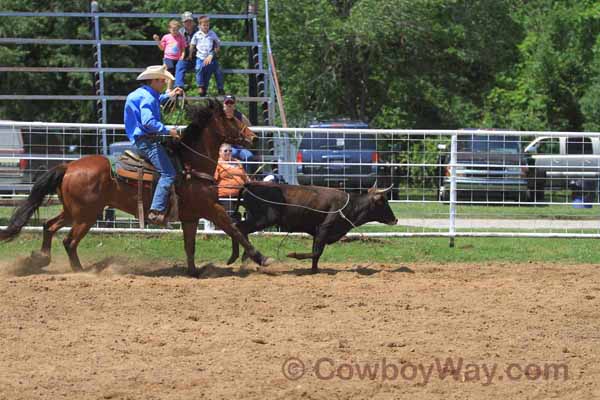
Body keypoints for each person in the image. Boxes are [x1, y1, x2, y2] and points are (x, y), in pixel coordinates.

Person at [124, 65, 184, 225]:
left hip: (141, 138)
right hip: (147, 141)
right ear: (154, 81)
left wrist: (170, 95)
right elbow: (148, 121)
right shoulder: (149, 98)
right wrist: (167, 130)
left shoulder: (144, 93)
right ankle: (156, 210)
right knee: (168, 173)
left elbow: (157, 99)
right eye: (162, 80)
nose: (165, 83)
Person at [189, 15, 225, 96]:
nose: (206, 27)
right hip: (200, 57)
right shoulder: (197, 34)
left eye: (207, 25)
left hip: (211, 57)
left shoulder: (212, 34)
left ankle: (220, 88)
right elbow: (192, 45)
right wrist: (190, 54)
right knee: (198, 68)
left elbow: (217, 44)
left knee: (218, 71)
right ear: (199, 26)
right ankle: (200, 86)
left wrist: (213, 54)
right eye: (204, 25)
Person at [214, 143, 251, 221]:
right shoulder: (217, 163)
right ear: (219, 152)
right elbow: (214, 179)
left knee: (249, 208)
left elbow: (244, 175)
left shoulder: (237, 161)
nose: (228, 152)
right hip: (225, 195)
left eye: (230, 150)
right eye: (225, 151)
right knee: (229, 217)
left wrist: (250, 183)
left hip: (241, 194)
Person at [223, 95, 256, 173]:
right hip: (226, 145)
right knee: (232, 153)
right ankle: (232, 175)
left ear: (234, 104)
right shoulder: (220, 116)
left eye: (231, 103)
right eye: (227, 103)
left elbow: (250, 128)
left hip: (238, 145)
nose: (229, 105)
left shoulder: (239, 116)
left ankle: (245, 177)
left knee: (249, 156)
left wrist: (246, 137)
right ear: (224, 104)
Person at [152, 20, 186, 90]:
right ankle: (168, 89)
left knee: (176, 72)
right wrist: (157, 40)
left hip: (177, 58)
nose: (175, 32)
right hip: (168, 57)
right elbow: (162, 48)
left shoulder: (181, 37)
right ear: (169, 29)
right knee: (170, 71)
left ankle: (172, 87)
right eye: (173, 30)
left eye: (176, 30)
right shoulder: (166, 37)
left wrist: (182, 56)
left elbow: (183, 48)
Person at [174, 11, 198, 90]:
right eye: (186, 21)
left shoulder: (199, 31)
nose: (188, 23)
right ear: (183, 23)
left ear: (193, 22)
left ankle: (202, 87)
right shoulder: (179, 32)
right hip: (185, 57)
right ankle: (179, 87)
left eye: (190, 21)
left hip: (198, 57)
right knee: (180, 65)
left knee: (204, 66)